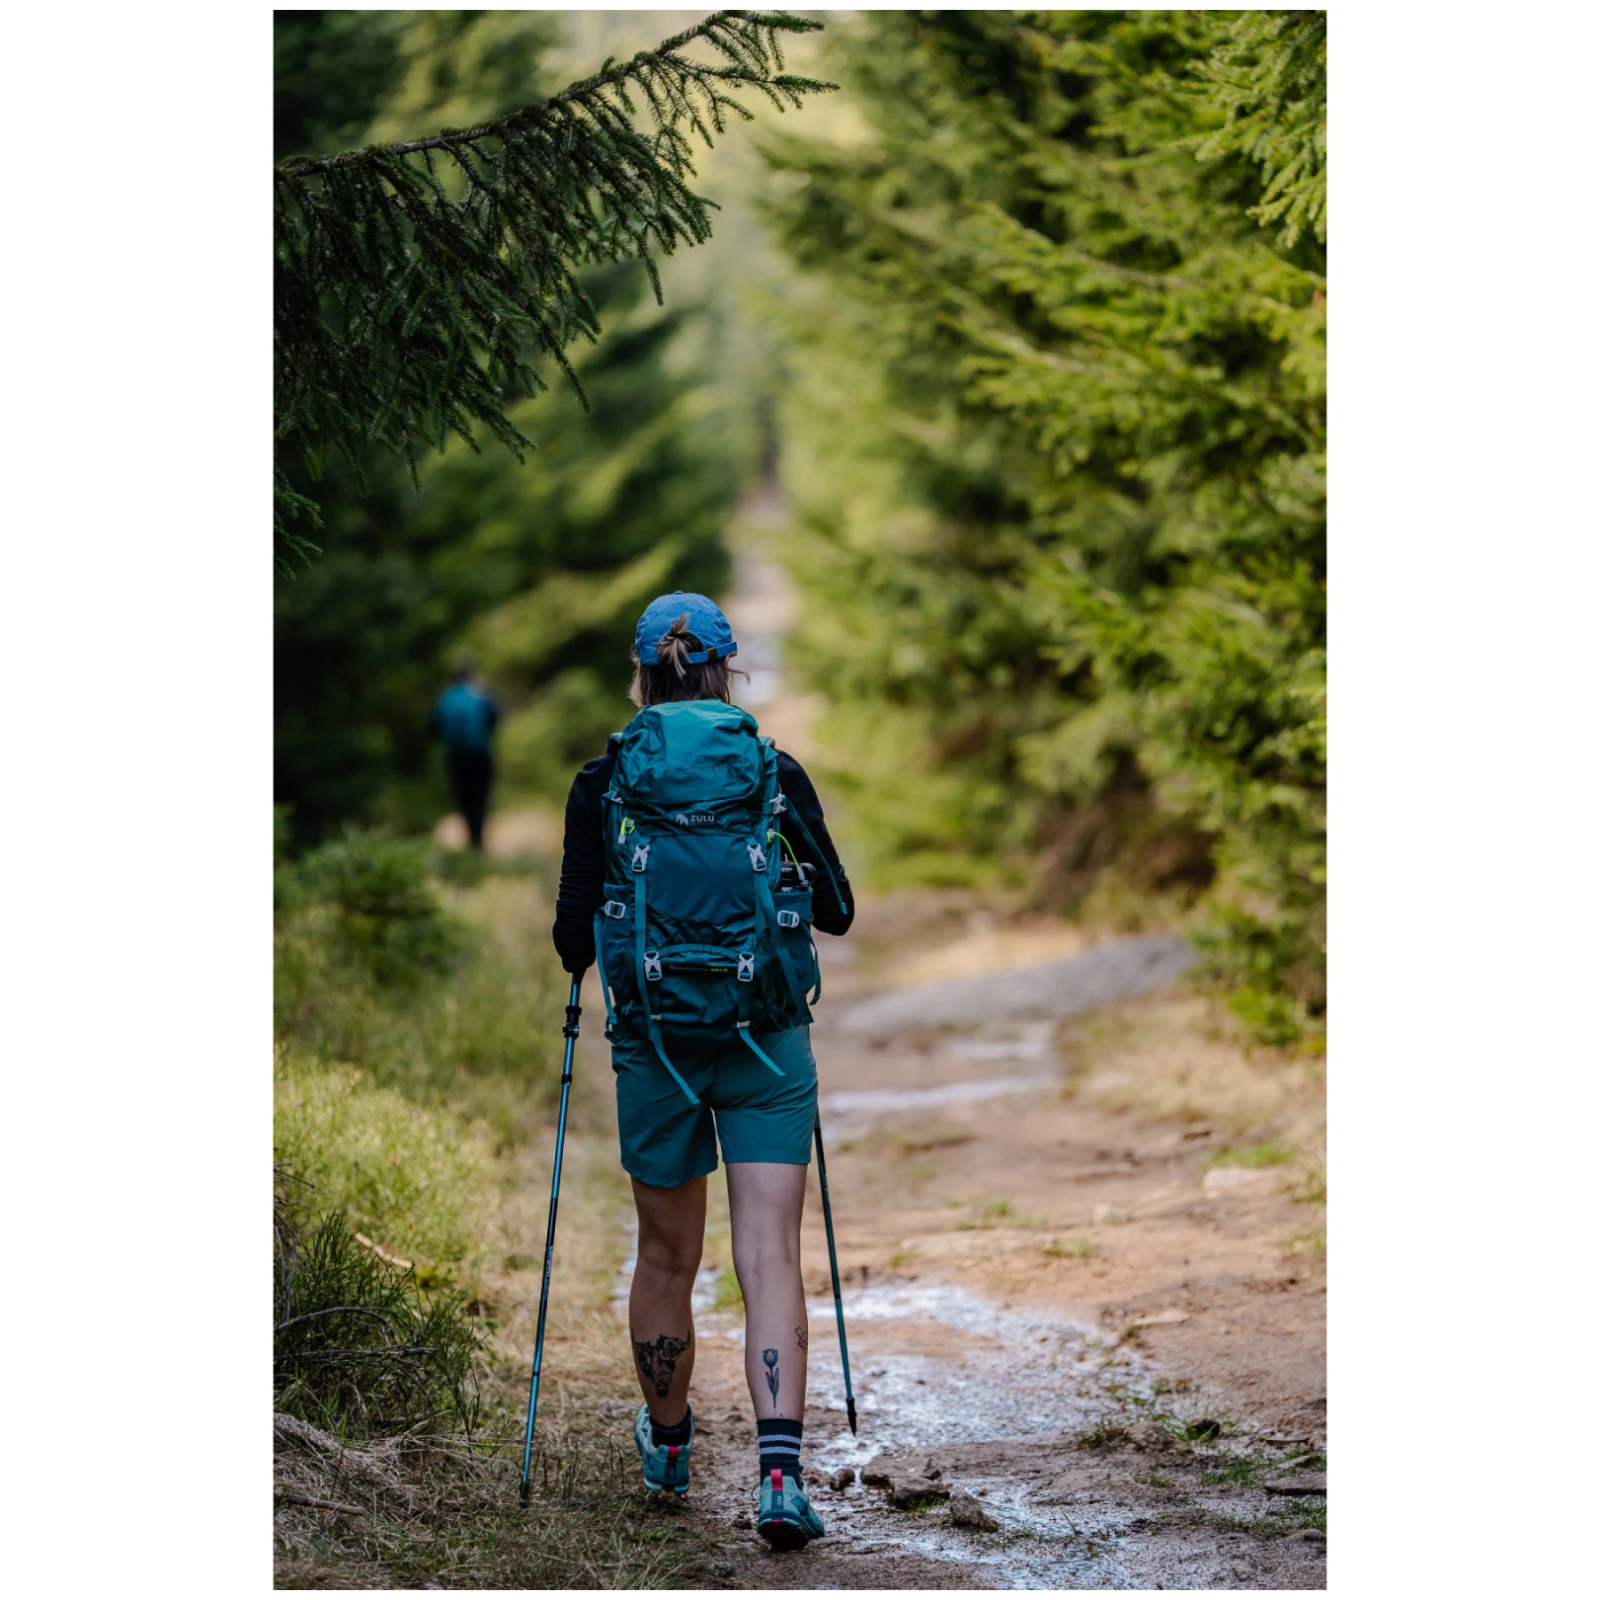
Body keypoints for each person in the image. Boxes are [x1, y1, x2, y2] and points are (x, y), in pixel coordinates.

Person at [551, 590, 855, 1550]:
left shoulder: (604, 781)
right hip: (766, 1041)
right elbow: (838, 909)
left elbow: (571, 941)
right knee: (768, 1257)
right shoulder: (772, 770)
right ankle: (780, 1477)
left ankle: (672, 1446)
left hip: (656, 1049)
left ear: (641, 676)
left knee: (665, 1258)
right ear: (727, 670)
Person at [432, 660, 499, 850]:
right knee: (480, 794)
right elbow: (494, 718)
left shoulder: (446, 697)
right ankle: (478, 838)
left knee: (463, 795)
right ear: (471, 674)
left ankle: (471, 836)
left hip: (456, 755)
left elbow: (434, 727)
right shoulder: (480, 693)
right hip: (480, 752)